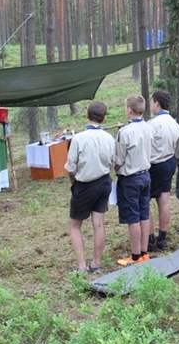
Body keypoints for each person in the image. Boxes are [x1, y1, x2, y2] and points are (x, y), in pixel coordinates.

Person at [64, 101, 115, 274]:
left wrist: (74, 185)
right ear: (104, 118)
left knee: (75, 225)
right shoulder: (109, 138)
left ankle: (81, 266)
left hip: (85, 185)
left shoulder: (78, 138)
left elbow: (71, 167)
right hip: (103, 182)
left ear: (87, 115)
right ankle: (96, 263)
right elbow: (113, 162)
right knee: (98, 224)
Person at [115, 94, 154, 266]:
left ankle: (136, 255)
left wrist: (117, 169)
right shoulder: (149, 128)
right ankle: (144, 251)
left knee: (133, 217)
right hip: (145, 174)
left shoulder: (125, 132)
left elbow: (119, 159)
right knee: (144, 214)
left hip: (130, 178)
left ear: (129, 110)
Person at [147, 90, 179, 251]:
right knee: (164, 200)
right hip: (169, 162)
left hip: (155, 164)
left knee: (145, 202)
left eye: (152, 102)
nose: (151, 105)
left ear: (157, 104)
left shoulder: (153, 124)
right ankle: (163, 237)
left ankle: (150, 239)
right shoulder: (174, 123)